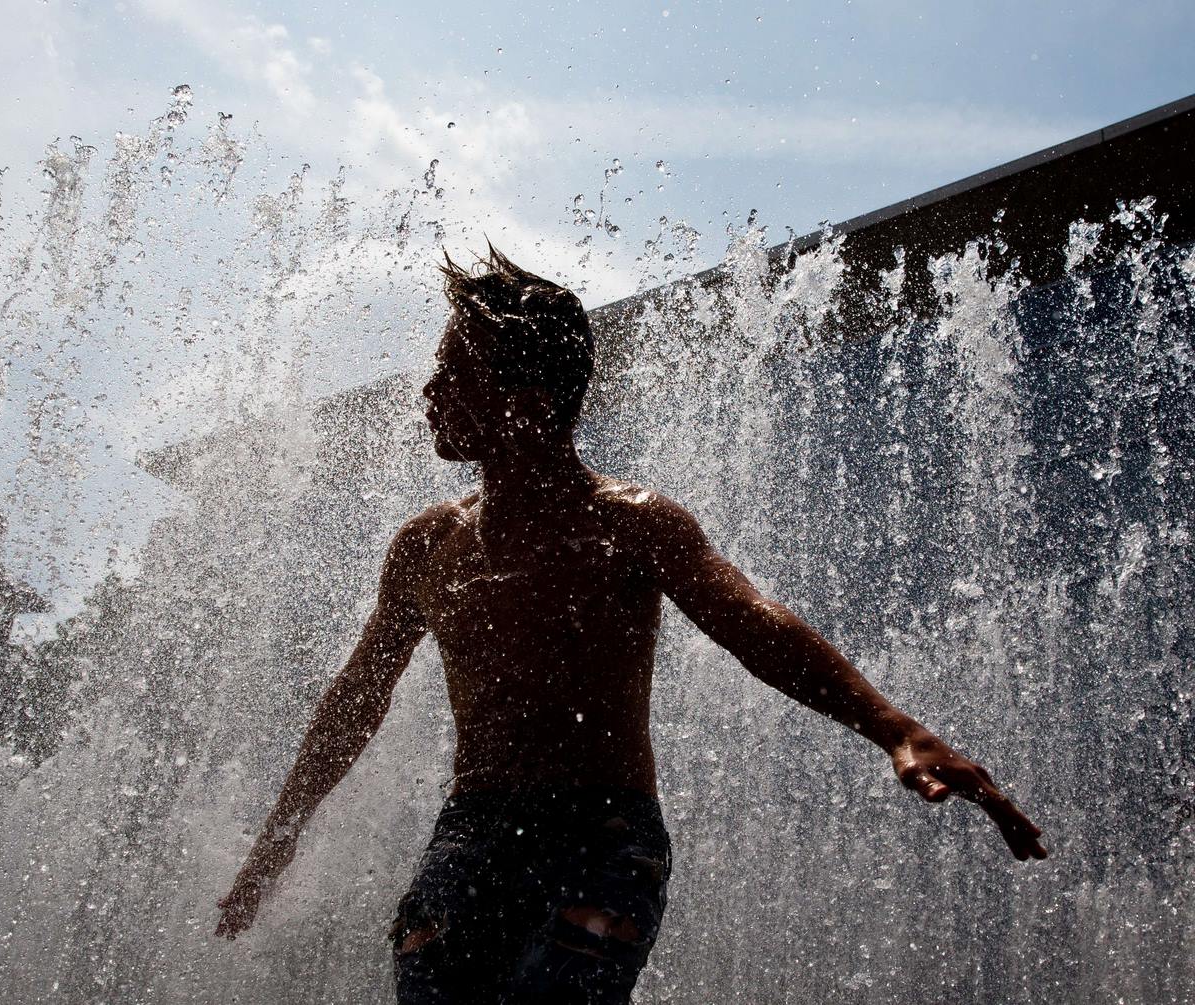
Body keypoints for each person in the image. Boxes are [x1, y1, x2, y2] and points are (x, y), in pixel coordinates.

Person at [214, 246, 1047, 1002]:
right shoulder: (427, 546)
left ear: (526, 401)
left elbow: (751, 622)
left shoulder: (630, 524)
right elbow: (357, 695)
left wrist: (894, 726)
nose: (428, 393)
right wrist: (279, 837)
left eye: (451, 373)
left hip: (604, 830)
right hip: (471, 831)